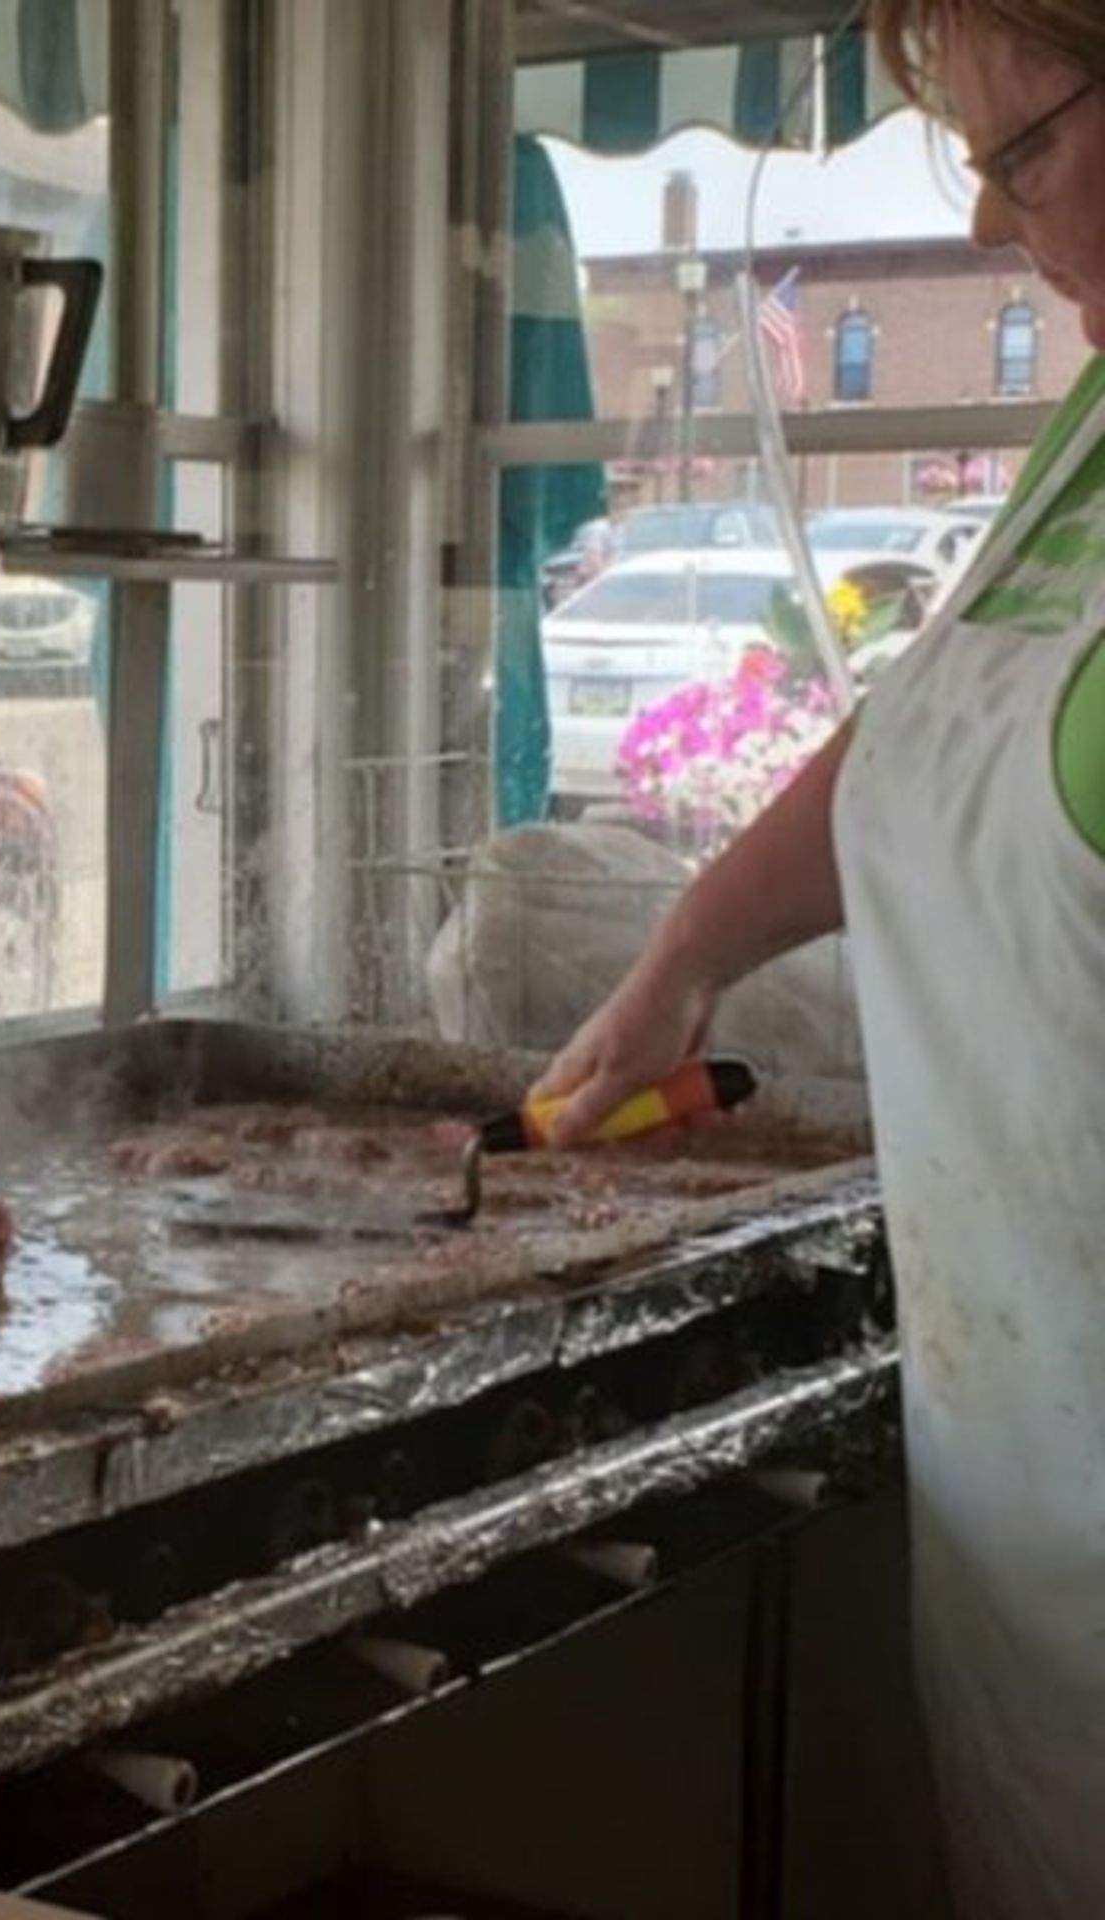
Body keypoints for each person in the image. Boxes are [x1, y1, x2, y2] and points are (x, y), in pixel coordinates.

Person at [531, 4, 1105, 1913]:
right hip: (1030, 1522)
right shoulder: (1096, 423)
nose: (989, 225)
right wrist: (685, 954)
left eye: (1023, 152)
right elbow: (931, 729)